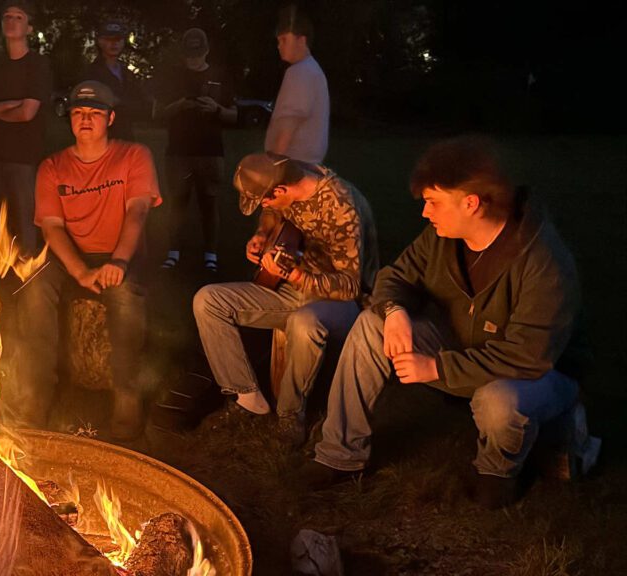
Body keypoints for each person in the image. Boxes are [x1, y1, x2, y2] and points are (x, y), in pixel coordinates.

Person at [299, 136, 590, 509]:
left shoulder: (543, 261)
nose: (425, 213)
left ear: (471, 203)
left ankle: (498, 472)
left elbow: (528, 356)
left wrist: (436, 367)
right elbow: (397, 276)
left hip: (539, 373)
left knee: (499, 399)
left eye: (433, 202)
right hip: (465, 347)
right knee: (373, 324)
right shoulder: (443, 239)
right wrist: (395, 311)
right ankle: (339, 453)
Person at [193, 152, 377, 448]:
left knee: (305, 322)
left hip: (339, 301)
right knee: (208, 300)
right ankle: (247, 397)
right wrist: (262, 235)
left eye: (265, 199)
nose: (263, 206)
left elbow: (350, 286)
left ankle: (291, 414)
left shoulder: (341, 206)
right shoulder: (292, 173)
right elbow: (274, 213)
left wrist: (296, 277)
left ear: (280, 191)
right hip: (294, 286)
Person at [11, 81, 161, 440]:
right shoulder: (53, 166)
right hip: (70, 256)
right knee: (33, 289)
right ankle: (36, 394)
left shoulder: (133, 156)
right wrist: (79, 271)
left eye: (95, 113)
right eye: (78, 113)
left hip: (118, 253)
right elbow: (52, 227)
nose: (85, 120)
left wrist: (119, 262)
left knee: (124, 298)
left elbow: (137, 212)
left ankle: (127, 399)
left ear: (110, 118)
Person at [0, 0, 52, 256]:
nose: (11, 21)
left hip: (24, 154)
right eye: (7, 16)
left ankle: (27, 270)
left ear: (29, 27)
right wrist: (8, 105)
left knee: (24, 214)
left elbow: (27, 113)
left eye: (18, 17)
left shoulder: (37, 65)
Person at [153, 28, 237, 273]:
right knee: (177, 203)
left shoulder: (219, 77)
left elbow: (234, 115)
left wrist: (217, 109)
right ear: (183, 53)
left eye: (197, 54)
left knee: (209, 202)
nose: (193, 59)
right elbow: (157, 115)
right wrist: (179, 105)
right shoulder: (172, 78)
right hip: (179, 151)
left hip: (211, 151)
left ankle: (210, 253)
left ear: (206, 50)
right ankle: (173, 252)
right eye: (189, 54)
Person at [264, 5, 329, 164]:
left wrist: (275, 162)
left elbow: (291, 120)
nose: (279, 46)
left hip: (293, 165)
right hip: (305, 164)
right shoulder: (312, 70)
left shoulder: (300, 72)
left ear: (302, 40)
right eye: (278, 41)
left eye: (284, 39)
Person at [82, 19, 149, 142]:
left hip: (126, 137)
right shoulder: (91, 73)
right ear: (100, 41)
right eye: (109, 40)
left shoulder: (127, 74)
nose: (114, 44)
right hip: (101, 139)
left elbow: (142, 105)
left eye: (118, 40)